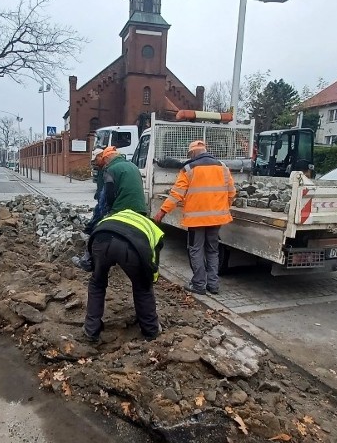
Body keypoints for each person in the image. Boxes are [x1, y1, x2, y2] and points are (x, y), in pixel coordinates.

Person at [153, 139, 236, 295]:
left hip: (196, 220)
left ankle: (198, 284)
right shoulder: (222, 167)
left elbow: (176, 194)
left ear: (191, 153)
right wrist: (222, 207)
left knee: (195, 250)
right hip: (216, 219)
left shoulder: (189, 168)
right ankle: (213, 285)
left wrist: (162, 211)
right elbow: (231, 192)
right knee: (212, 251)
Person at [82, 208, 165, 343]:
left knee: (97, 283)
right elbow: (152, 265)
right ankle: (151, 331)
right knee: (142, 288)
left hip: (100, 238)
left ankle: (91, 330)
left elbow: (93, 239)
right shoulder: (155, 232)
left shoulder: (116, 216)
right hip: (130, 247)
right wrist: (150, 280)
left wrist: (93, 265)